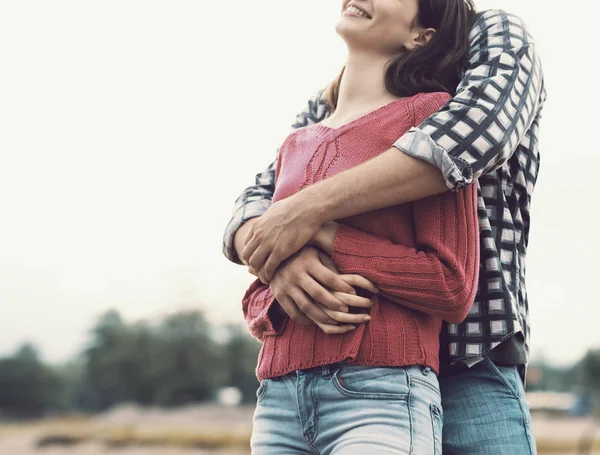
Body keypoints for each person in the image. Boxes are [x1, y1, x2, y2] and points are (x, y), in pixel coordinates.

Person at [224, 2, 546, 454]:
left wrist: (309, 217)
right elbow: (261, 200)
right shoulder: (329, 104)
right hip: (318, 369)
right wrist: (283, 260)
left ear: (423, 34)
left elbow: (470, 137)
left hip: (471, 359)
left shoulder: (493, 32)